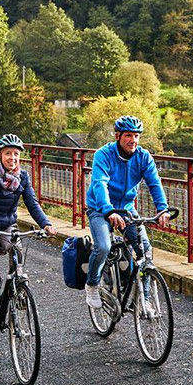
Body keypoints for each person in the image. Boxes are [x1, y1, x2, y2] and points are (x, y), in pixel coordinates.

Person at [0, 133, 56, 352]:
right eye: (8, 154)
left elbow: (32, 204)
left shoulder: (22, 178)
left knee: (17, 248)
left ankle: (16, 288)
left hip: (6, 228)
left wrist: (46, 224)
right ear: (0, 155)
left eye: (16, 154)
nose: (12, 158)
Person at [83, 115, 170, 309]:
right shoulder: (103, 155)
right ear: (118, 136)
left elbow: (154, 183)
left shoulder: (143, 157)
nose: (133, 140)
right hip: (100, 208)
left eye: (137, 136)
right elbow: (99, 184)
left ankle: (144, 300)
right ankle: (93, 284)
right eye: (128, 135)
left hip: (127, 209)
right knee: (104, 246)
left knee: (145, 253)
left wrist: (162, 208)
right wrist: (109, 211)